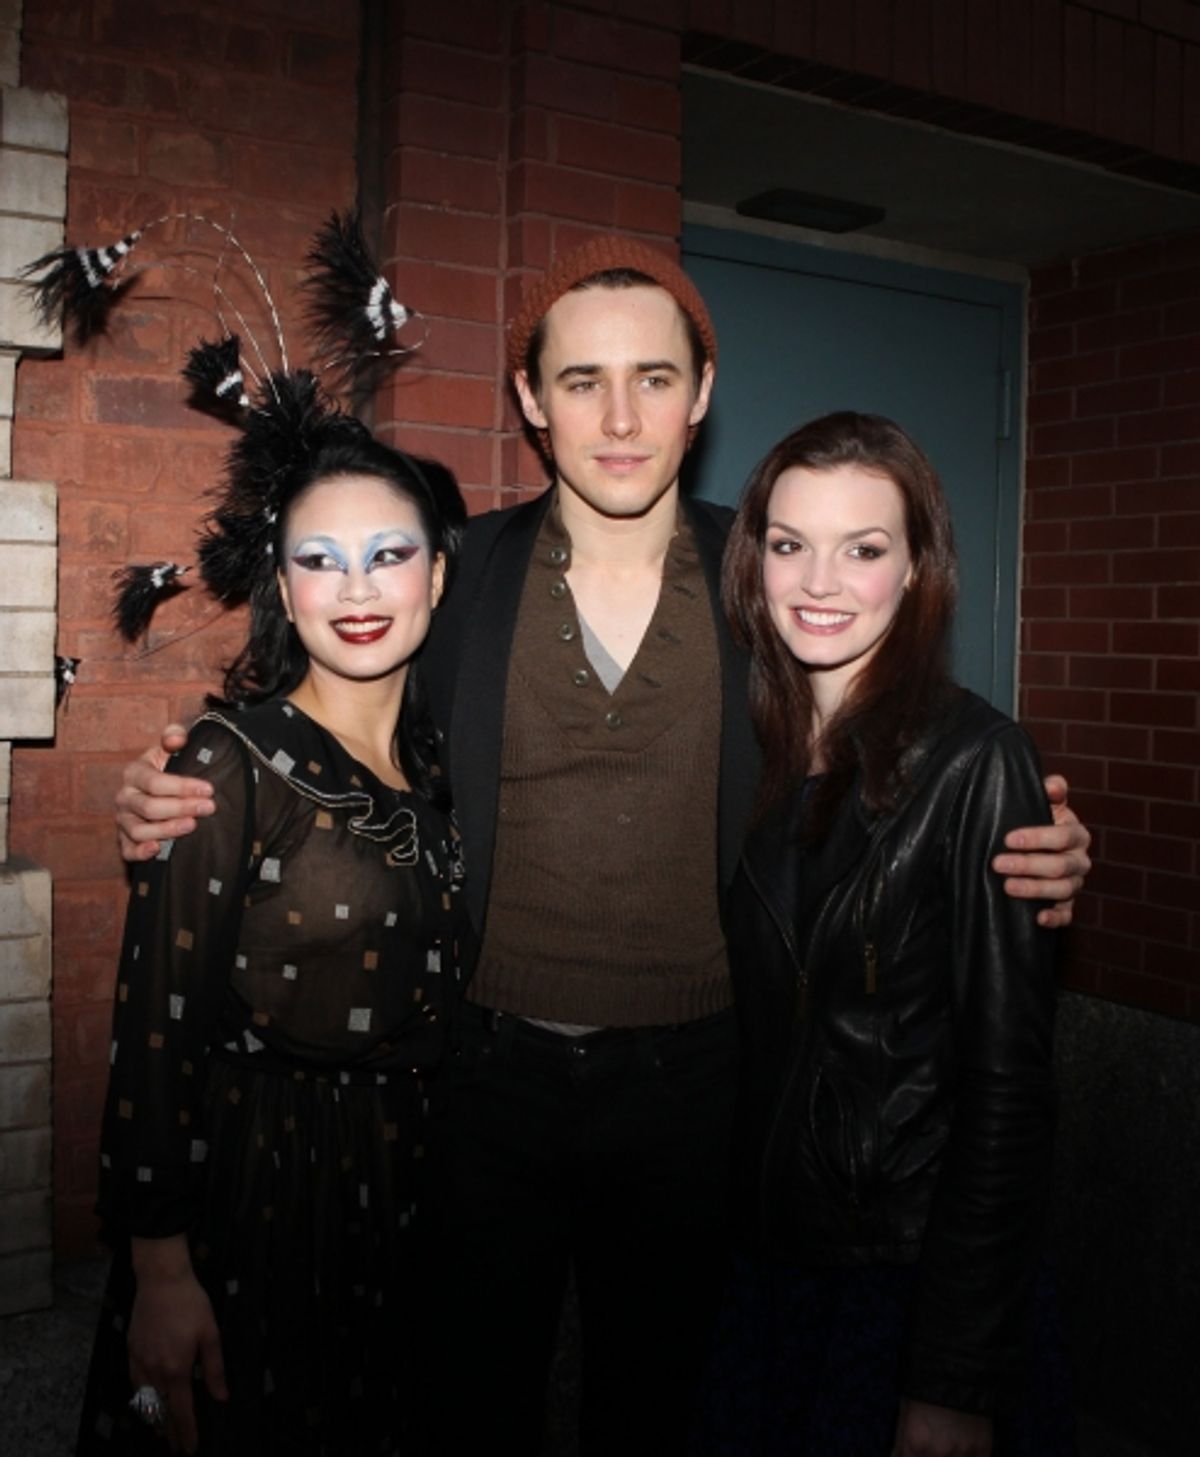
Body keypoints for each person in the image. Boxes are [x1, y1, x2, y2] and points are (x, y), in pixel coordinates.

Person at [113, 237, 1091, 1456]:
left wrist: (1033, 839)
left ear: (704, 390)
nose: (620, 417)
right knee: (467, 1410)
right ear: (532, 400)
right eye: (581, 381)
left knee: (661, 1413)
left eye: (653, 377)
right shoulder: (459, 582)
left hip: (703, 1094)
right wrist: (171, 781)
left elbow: (895, 739)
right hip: (476, 1084)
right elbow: (325, 718)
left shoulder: (771, 575)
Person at [78, 407, 466, 1456]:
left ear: (435, 576)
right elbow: (155, 1026)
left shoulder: (439, 773)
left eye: (389, 555)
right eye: (320, 561)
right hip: (263, 1186)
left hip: (411, 1184)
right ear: (285, 592)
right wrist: (160, 1266)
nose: (355, 588)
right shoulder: (226, 759)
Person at [706, 411, 1074, 1457]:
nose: (820, 580)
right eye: (790, 544)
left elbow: (1008, 1092)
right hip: (765, 1264)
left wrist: (953, 1374)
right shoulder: (752, 748)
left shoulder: (978, 760)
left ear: (917, 569)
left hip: (904, 1280)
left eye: (864, 549)